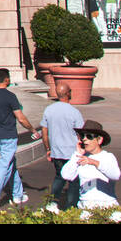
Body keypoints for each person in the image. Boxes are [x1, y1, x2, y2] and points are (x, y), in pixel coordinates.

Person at [0, 68, 36, 211]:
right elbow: (21, 118)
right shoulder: (10, 96)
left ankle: (18, 195)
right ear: (7, 79)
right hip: (9, 135)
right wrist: (33, 130)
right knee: (5, 164)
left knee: (11, 163)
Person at [38, 82, 84, 210]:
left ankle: (52, 203)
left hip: (57, 152)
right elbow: (81, 135)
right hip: (72, 153)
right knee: (74, 180)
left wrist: (48, 149)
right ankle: (71, 207)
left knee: (59, 177)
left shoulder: (49, 110)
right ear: (68, 93)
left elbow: (44, 132)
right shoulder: (75, 112)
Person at [60, 121, 120, 207]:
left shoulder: (108, 157)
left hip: (107, 205)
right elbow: (66, 175)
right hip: (85, 206)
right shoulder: (81, 157)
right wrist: (77, 154)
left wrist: (93, 162)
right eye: (82, 136)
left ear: (99, 140)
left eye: (89, 136)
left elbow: (115, 175)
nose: (84, 139)